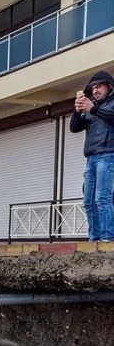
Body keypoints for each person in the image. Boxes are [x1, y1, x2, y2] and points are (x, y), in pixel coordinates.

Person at [70, 71, 114, 242]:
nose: (95, 91)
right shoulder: (90, 106)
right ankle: (93, 239)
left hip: (108, 155)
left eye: (99, 86)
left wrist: (93, 109)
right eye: (93, 88)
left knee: (103, 198)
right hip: (91, 159)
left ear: (109, 87)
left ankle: (108, 238)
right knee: (89, 201)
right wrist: (77, 110)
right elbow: (74, 128)